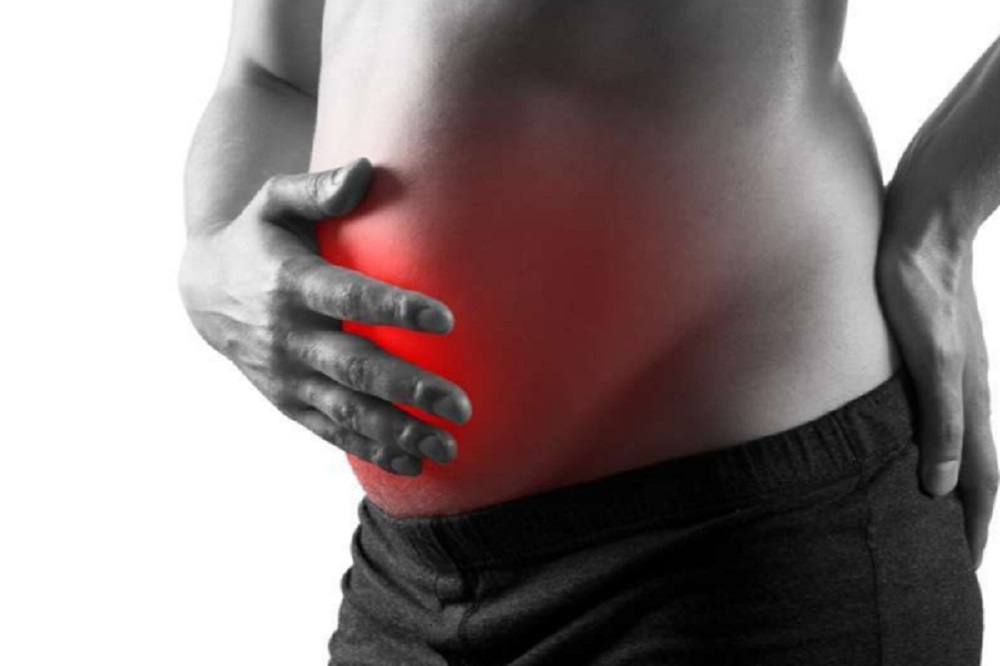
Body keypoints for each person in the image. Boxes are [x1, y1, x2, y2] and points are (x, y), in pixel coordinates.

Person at [178, 1, 998, 664]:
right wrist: (219, 244)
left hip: (743, 559)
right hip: (411, 583)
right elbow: (272, 72)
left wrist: (939, 222)